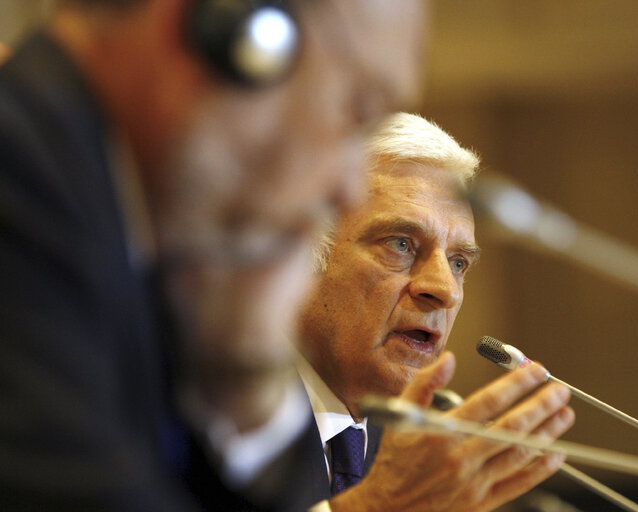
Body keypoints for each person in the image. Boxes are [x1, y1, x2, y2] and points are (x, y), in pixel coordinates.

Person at [0, 0, 425, 510]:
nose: (349, 188)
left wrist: (245, 376)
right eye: (357, 111)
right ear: (225, 32)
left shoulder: (133, 229)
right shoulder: (20, 188)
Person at [293, 112, 576, 512]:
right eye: (401, 244)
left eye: (459, 262)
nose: (445, 290)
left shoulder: (413, 465)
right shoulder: (207, 412)